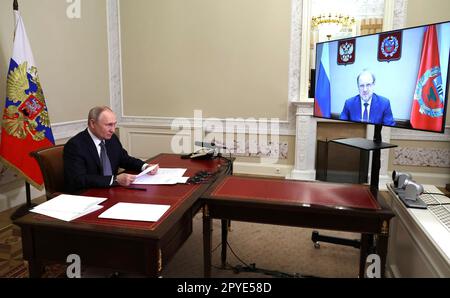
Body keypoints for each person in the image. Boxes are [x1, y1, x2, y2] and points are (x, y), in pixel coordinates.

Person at [64, 106, 158, 193]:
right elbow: (79, 179)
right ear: (93, 123)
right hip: (89, 195)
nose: (113, 130)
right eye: (109, 125)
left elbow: (124, 159)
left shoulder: (111, 138)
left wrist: (145, 167)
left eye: (114, 124)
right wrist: (115, 179)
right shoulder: (75, 145)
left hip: (112, 192)